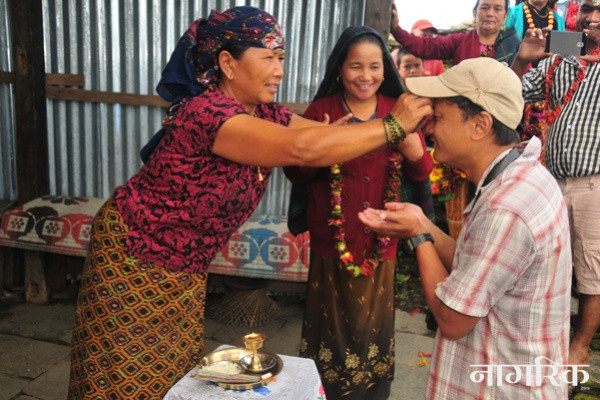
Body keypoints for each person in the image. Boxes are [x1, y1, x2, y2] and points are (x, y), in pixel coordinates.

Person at [66, 7, 433, 399]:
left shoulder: (263, 112)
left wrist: (376, 129)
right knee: (124, 374)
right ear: (228, 63)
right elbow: (303, 148)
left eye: (282, 58)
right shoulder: (209, 114)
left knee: (172, 374)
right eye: (268, 58)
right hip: (134, 255)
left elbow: (321, 135)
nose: (279, 71)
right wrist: (393, 124)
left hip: (185, 264)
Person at [359, 58, 572, 399]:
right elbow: (475, 263)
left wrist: (418, 235)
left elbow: (452, 320)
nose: (430, 129)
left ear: (480, 125)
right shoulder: (519, 175)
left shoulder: (507, 208)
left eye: (440, 117)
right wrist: (424, 222)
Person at [283, 26, 433, 399]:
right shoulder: (322, 111)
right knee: (330, 321)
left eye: (374, 66)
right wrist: (322, 146)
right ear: (339, 68)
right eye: (355, 66)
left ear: (385, 69)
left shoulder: (398, 110)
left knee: (373, 324)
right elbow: (295, 172)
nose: (365, 76)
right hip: (331, 241)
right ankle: (323, 391)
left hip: (382, 242)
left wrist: (413, 149)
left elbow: (422, 171)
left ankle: (373, 392)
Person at [511, 0, 600, 369]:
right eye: (588, 9)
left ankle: (580, 347)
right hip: (549, 181)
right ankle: (546, 335)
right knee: (545, 263)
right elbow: (511, 92)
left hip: (593, 185)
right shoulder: (559, 57)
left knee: (592, 270)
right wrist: (521, 59)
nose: (593, 18)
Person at [391, 0, 521, 67]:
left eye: (497, 9)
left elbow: (521, 81)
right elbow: (426, 46)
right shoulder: (459, 41)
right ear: (475, 13)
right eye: (484, 7)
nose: (490, 13)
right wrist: (396, 29)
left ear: (505, 16)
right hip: (460, 108)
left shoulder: (513, 45)